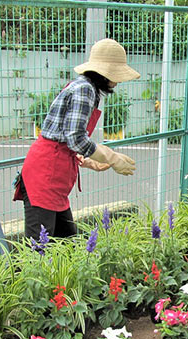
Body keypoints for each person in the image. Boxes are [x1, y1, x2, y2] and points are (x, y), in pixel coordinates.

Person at [15, 38, 140, 240]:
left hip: (54, 173)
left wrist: (88, 160)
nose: (117, 81)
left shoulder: (83, 86)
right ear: (104, 72)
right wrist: (112, 158)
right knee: (37, 251)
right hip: (45, 176)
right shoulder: (85, 90)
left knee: (68, 244)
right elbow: (75, 138)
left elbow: (64, 137)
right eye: (116, 74)